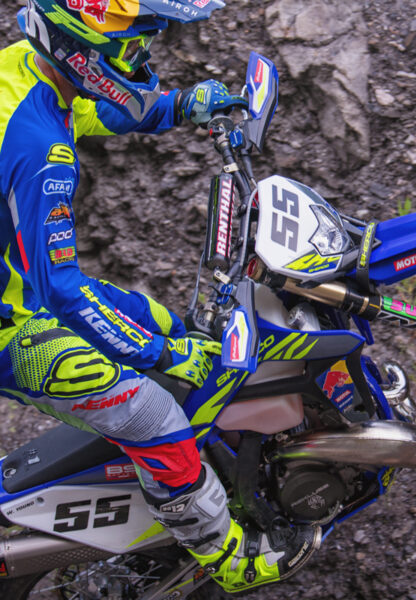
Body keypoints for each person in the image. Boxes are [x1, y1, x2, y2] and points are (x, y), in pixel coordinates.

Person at [0, 0, 320, 593]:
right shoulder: (39, 149)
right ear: (83, 46)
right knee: (156, 412)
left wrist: (180, 105)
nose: (142, 54)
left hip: (17, 285)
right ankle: (224, 556)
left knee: (166, 322)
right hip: (13, 324)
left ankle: (194, 475)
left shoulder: (28, 70)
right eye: (132, 44)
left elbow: (100, 111)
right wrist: (161, 357)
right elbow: (63, 293)